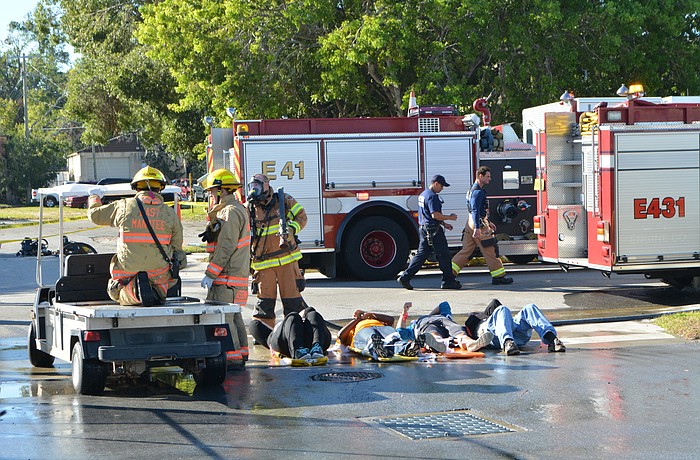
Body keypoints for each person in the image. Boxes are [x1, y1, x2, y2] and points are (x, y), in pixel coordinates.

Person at [87, 166, 187, 306]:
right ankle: (155, 292)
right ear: (160, 188)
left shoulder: (124, 206)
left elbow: (95, 215)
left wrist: (94, 197)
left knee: (115, 291)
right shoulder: (170, 214)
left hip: (127, 271)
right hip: (158, 272)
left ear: (136, 187)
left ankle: (133, 293)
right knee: (162, 284)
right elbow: (177, 249)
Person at [198, 168, 251, 363]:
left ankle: (233, 359)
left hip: (226, 278)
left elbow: (226, 246)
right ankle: (241, 354)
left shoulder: (230, 212)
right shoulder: (236, 209)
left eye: (212, 191)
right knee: (234, 317)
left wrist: (210, 274)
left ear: (222, 191)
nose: (211, 195)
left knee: (225, 321)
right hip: (233, 278)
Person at [246, 174, 308, 331]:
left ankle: (296, 331)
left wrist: (292, 228)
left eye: (258, 185)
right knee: (264, 303)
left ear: (267, 185)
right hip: (263, 264)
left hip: (287, 260)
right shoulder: (250, 208)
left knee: (292, 301)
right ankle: (264, 334)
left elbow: (302, 216)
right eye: (252, 186)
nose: (254, 189)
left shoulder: (283, 200)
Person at [451, 166, 513, 285]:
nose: (490, 179)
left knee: (466, 251)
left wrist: (488, 221)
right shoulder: (478, 192)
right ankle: (499, 277)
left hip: (471, 223)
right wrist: (479, 228)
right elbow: (475, 210)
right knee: (490, 250)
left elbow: (477, 210)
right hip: (478, 224)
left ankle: (449, 274)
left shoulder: (472, 190)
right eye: (487, 176)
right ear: (480, 176)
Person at [398, 174, 461, 290]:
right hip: (434, 231)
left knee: (421, 255)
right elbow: (434, 215)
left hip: (424, 229)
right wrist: (449, 218)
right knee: (445, 255)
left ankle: (405, 277)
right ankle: (448, 281)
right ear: (436, 184)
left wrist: (444, 224)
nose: (442, 189)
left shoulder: (423, 194)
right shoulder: (433, 197)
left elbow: (427, 214)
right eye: (442, 186)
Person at [464, 299, 566, 355]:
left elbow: (494, 303)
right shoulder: (472, 320)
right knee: (502, 309)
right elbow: (462, 334)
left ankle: (552, 339)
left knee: (530, 308)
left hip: (513, 332)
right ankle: (507, 342)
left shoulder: (494, 313)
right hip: (493, 335)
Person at [396, 301, 493, 352]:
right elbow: (401, 332)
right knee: (432, 331)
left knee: (457, 329)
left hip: (443, 321)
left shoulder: (444, 315)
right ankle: (438, 343)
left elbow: (444, 304)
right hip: (426, 325)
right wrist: (403, 313)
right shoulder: (414, 325)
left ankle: (471, 344)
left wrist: (430, 316)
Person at [249, 306, 331, 364]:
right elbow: (254, 325)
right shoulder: (273, 336)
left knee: (311, 315)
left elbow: (255, 325)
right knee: (295, 316)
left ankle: (314, 347)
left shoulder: (273, 335)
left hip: (304, 340)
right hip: (289, 343)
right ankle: (305, 349)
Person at [337, 310, 426, 359]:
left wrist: (371, 314)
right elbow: (340, 336)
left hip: (382, 328)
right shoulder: (353, 327)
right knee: (371, 338)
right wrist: (357, 319)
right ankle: (377, 348)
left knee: (393, 338)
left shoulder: (376, 319)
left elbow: (390, 320)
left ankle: (407, 348)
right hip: (363, 331)